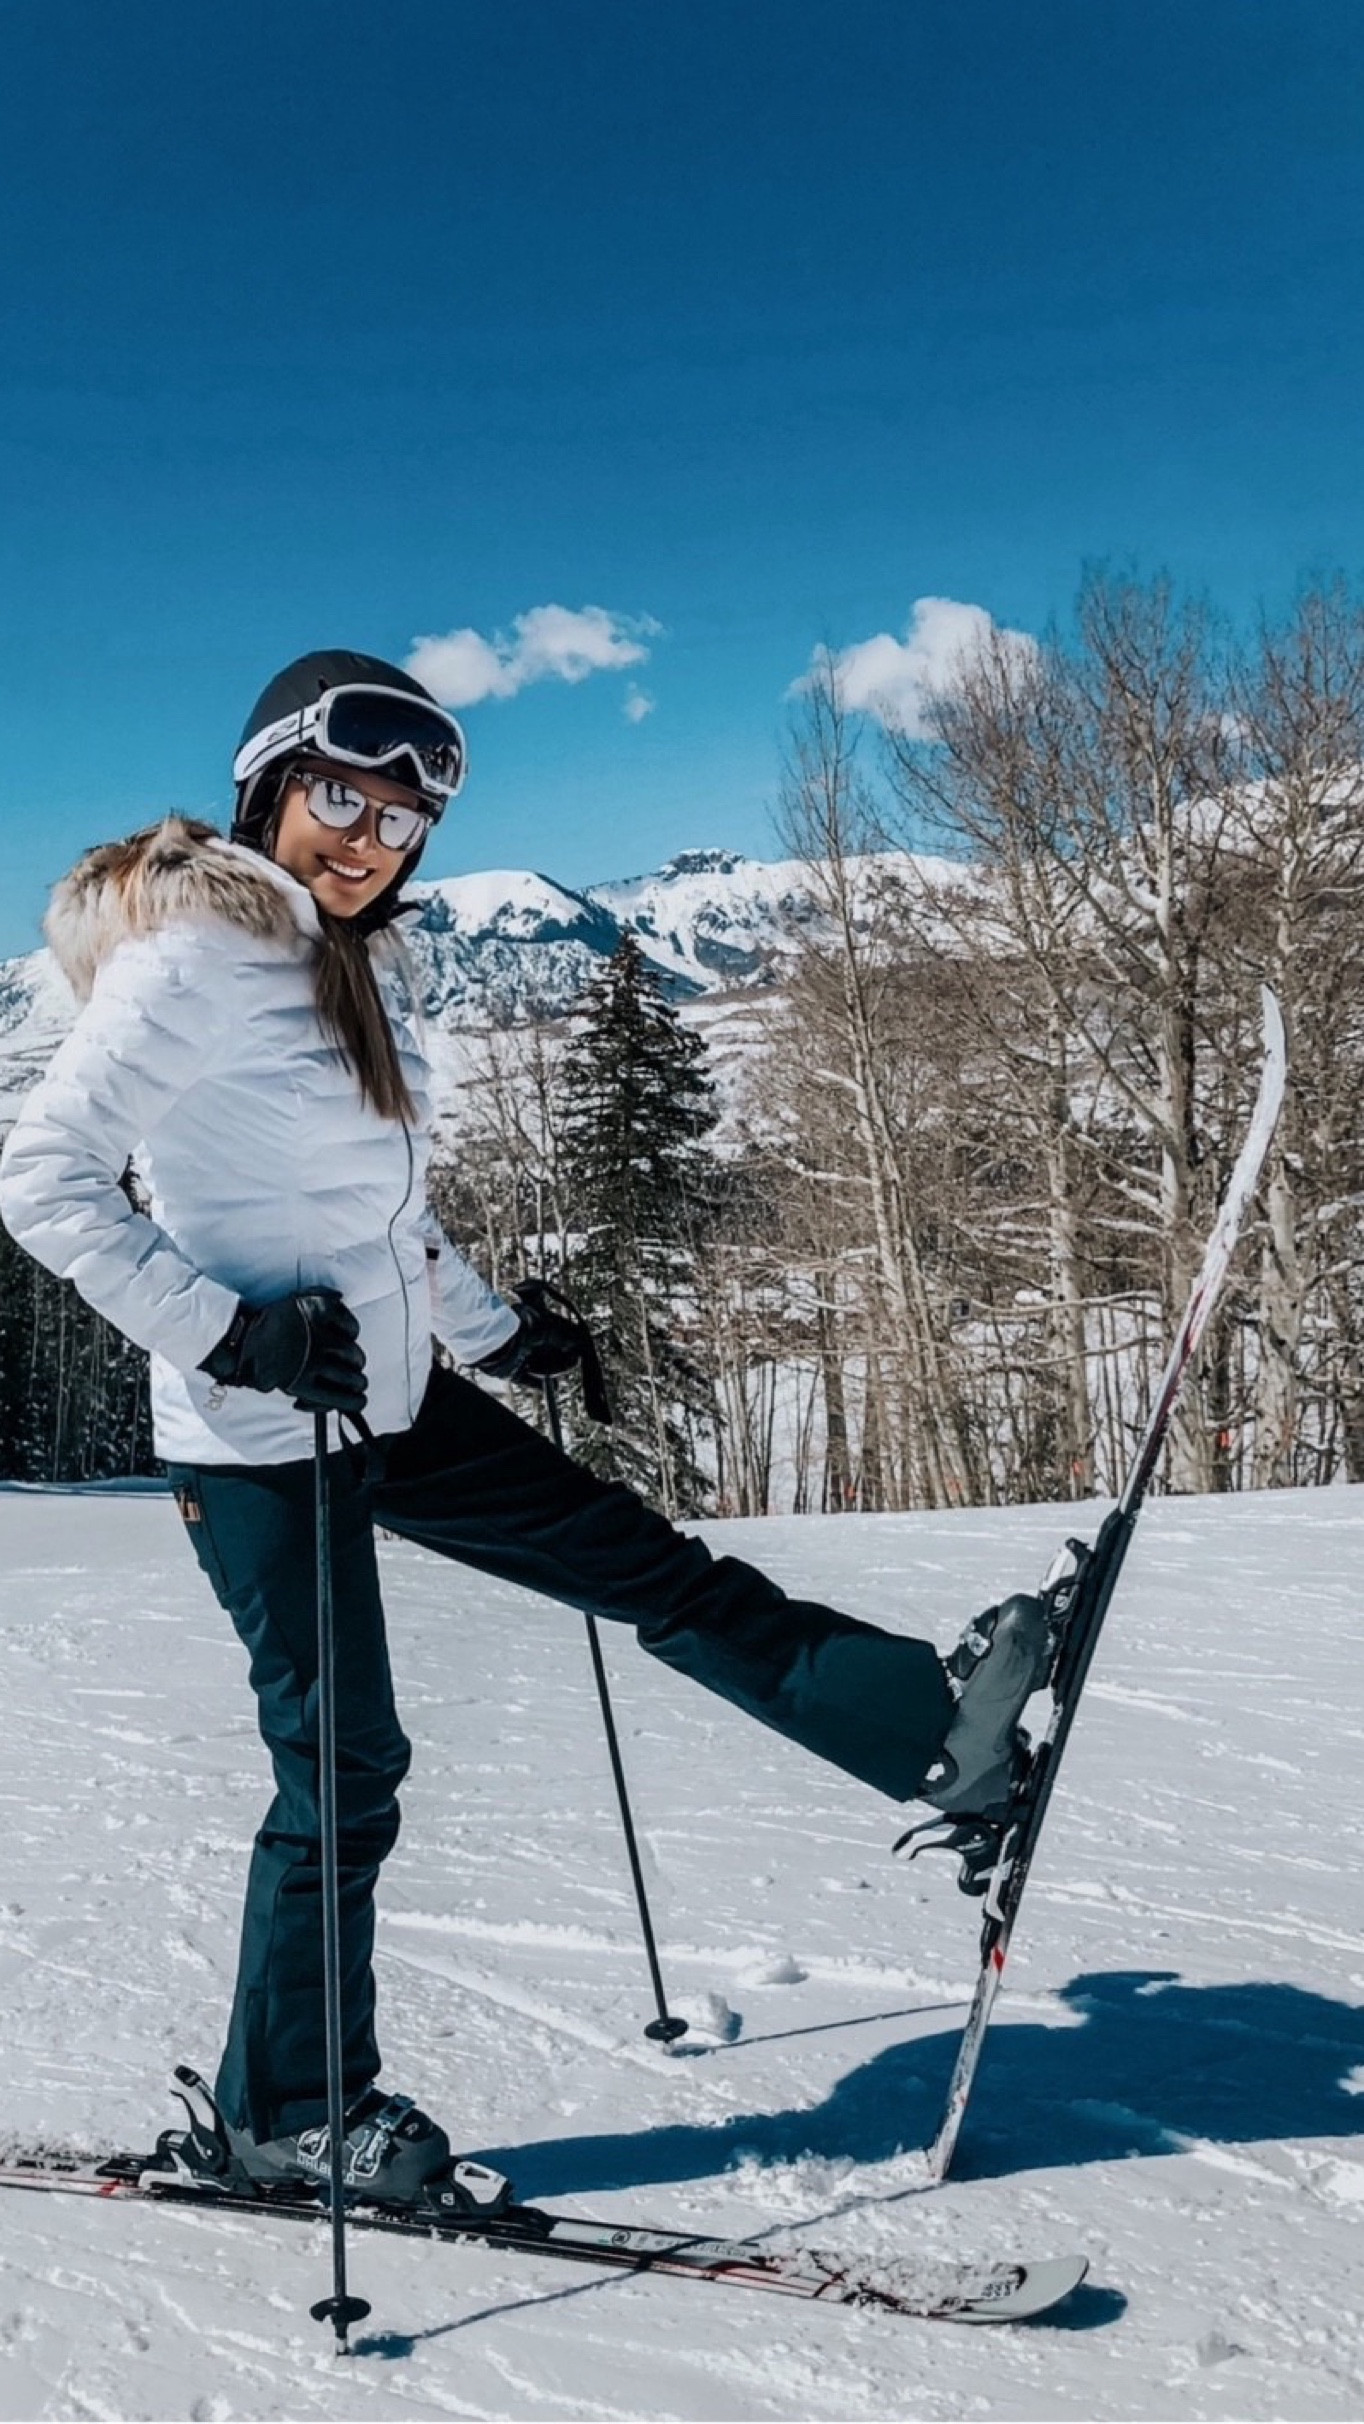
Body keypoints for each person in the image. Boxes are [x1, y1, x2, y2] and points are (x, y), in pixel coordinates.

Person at [0, 650, 1052, 2211]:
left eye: (402, 819)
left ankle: (933, 1739)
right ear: (270, 786)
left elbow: (392, 1216)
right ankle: (287, 2115)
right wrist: (230, 1330)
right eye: (342, 798)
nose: (370, 838)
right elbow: (43, 1182)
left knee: (658, 1571)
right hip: (259, 1435)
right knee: (343, 1769)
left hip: (394, 1399)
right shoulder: (196, 955)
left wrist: (503, 1332)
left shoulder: (360, 967)